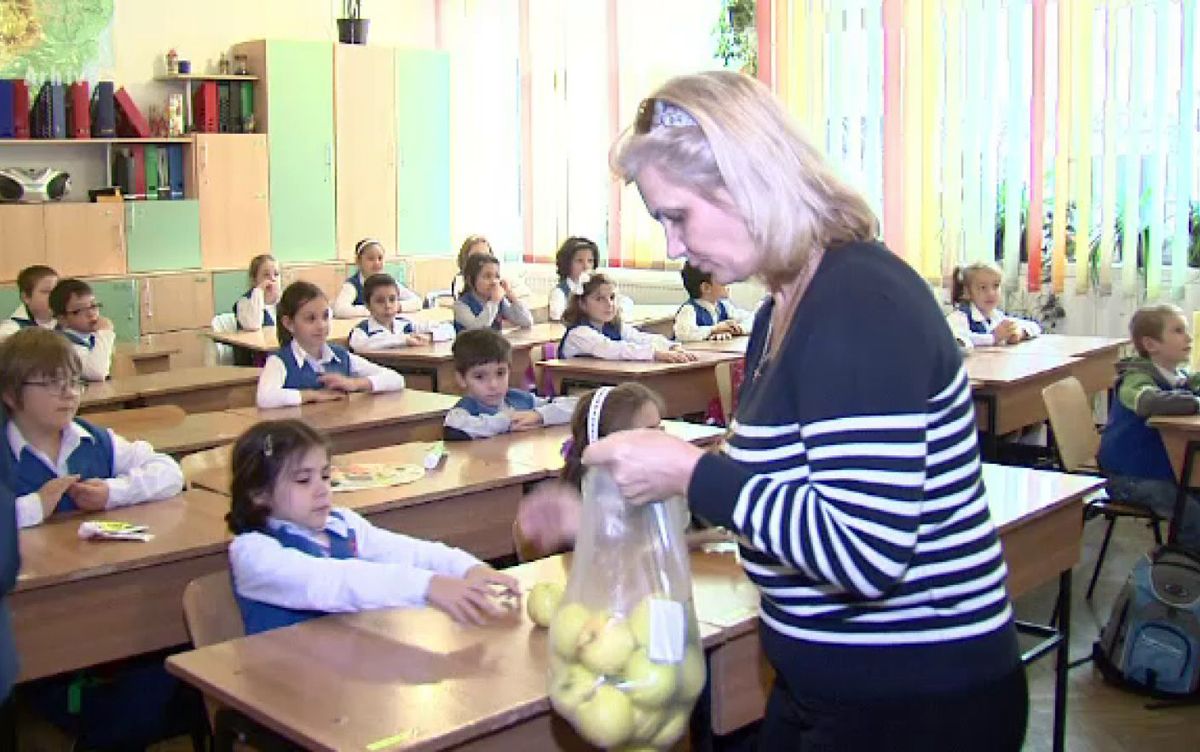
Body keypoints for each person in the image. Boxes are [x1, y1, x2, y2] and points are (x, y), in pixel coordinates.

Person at [519, 71, 1027, 751]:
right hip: (827, 687)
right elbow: (773, 494)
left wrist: (688, 473)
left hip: (915, 702)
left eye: (677, 216)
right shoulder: (783, 310)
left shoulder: (858, 303)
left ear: (748, 182)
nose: (672, 247)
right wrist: (612, 519)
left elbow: (865, 552)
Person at [226, 419, 520, 635]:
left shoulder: (342, 524)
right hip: (284, 684)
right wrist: (426, 586)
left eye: (325, 476)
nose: (322, 490)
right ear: (258, 493)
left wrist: (467, 568)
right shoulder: (252, 552)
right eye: (303, 480)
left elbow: (409, 552)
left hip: (345, 668)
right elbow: (336, 582)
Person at [0, 328, 183, 529]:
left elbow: (170, 472)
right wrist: (36, 506)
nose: (69, 393)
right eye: (52, 383)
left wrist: (112, 492)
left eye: (74, 382)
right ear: (10, 394)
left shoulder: (94, 440)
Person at [1098, 304, 1200, 550]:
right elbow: (1147, 402)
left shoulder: (1176, 375)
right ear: (1151, 344)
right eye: (1178, 331)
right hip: (1129, 477)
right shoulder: (1134, 378)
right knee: (1192, 517)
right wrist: (1196, 403)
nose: (1188, 338)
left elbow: (1191, 383)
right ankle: (1180, 567)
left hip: (1162, 472)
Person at [256, 281, 405, 409]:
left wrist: (355, 383)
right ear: (289, 324)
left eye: (325, 316)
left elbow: (396, 379)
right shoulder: (280, 360)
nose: (321, 325)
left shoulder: (340, 356)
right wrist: (312, 395)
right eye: (310, 319)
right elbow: (265, 397)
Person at [442, 328, 575, 441]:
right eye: (480, 377)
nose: (493, 385)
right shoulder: (464, 411)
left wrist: (539, 415)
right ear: (461, 379)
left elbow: (576, 406)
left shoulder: (519, 399)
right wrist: (507, 421)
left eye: (500, 373)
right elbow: (455, 426)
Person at [558, 273, 693, 362]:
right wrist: (655, 353)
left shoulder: (614, 326)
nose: (609, 304)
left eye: (612, 297)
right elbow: (613, 349)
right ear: (582, 304)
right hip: (579, 391)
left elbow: (641, 338)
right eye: (599, 299)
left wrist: (670, 347)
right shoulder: (579, 333)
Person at [946, 262, 1041, 347]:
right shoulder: (959, 317)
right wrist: (993, 337)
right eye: (983, 287)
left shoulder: (996, 316)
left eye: (996, 286)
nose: (991, 293)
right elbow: (957, 340)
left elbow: (1034, 326)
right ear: (967, 292)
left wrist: (1019, 332)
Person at [347, 273, 445, 353]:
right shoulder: (362, 330)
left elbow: (448, 329)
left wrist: (430, 336)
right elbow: (361, 346)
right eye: (380, 301)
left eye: (392, 299)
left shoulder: (405, 323)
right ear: (368, 305)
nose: (387, 306)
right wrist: (404, 340)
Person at [334, 238, 421, 319]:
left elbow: (417, 302)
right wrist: (374, 310)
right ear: (358, 261)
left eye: (380, 258)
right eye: (371, 259)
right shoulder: (352, 285)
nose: (377, 263)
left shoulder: (389, 282)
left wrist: (396, 307)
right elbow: (339, 310)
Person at [49, 278, 116, 382]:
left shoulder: (91, 338)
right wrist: (105, 333)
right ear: (62, 319)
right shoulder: (62, 346)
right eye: (80, 310)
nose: (91, 313)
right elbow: (97, 373)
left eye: (93, 306)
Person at [673, 260, 754, 343]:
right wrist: (714, 329)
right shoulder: (689, 309)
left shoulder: (724, 306)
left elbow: (753, 319)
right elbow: (684, 334)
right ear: (706, 288)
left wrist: (738, 329)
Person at [453, 253, 534, 333]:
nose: (494, 282)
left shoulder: (499, 301)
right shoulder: (461, 305)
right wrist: (494, 302)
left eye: (497, 276)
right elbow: (478, 331)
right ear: (470, 280)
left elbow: (527, 321)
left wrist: (511, 295)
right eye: (487, 276)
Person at [449, 234, 532, 304]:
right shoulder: (460, 282)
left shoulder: (502, 279)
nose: (483, 260)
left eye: (486, 255)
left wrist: (510, 296)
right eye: (476, 256)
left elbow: (528, 299)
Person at [0, 264, 58, 340]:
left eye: (57, 290)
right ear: (26, 297)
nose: (55, 295)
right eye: (46, 291)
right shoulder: (10, 331)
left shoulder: (67, 322)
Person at [548, 237, 598, 321]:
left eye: (590, 261)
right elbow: (557, 321)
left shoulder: (595, 288)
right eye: (579, 261)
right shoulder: (559, 293)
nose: (586, 266)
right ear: (567, 263)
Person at [235, 254, 281, 332]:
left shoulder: (282, 300)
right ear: (254, 279)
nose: (273, 279)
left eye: (276, 274)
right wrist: (258, 291)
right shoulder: (245, 302)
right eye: (266, 275)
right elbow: (253, 326)